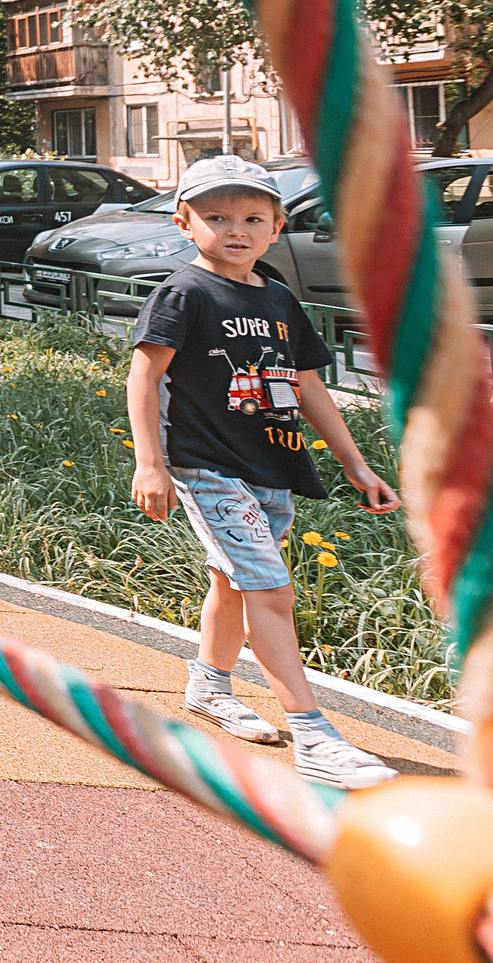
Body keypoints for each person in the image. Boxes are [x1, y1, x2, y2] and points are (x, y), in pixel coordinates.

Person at [125, 155, 404, 790]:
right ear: (183, 223)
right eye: (216, 217)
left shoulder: (278, 298)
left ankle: (208, 686)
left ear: (276, 226)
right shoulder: (184, 293)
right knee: (270, 589)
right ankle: (313, 736)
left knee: (233, 580)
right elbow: (145, 375)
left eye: (253, 218)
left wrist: (355, 465)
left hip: (271, 464)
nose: (236, 230)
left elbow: (307, 386)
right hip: (207, 467)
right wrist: (151, 463)